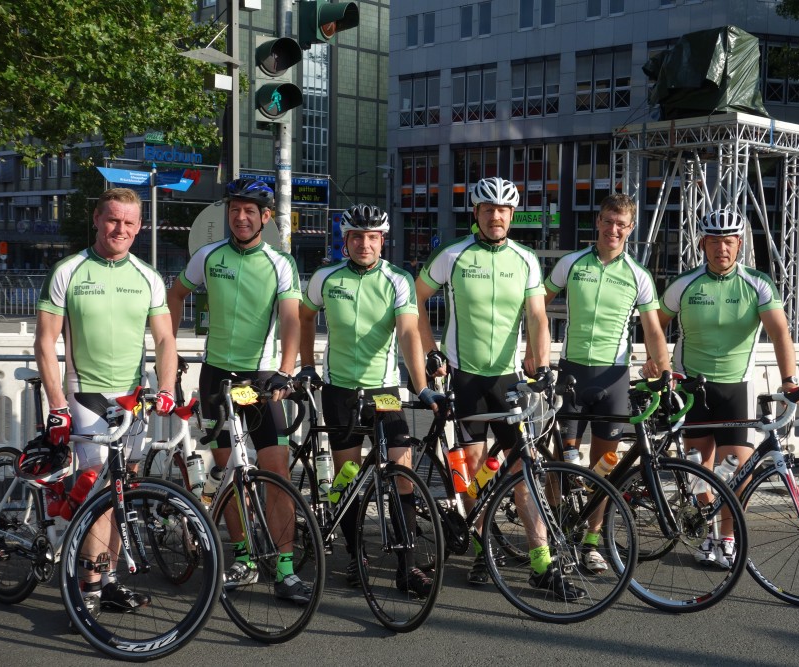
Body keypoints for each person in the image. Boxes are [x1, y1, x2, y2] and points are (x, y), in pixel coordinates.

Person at [415, 176, 584, 601]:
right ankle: (480, 545)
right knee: (471, 471)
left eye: (503, 210)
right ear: (476, 213)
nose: (496, 216)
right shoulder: (452, 255)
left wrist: (541, 364)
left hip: (508, 380)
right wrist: (431, 351)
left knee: (520, 469)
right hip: (464, 378)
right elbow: (413, 301)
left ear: (511, 215)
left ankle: (542, 562)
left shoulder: (526, 259)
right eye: (488, 209)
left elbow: (538, 317)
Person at [34, 187, 178, 619]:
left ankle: (109, 577)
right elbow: (44, 342)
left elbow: (167, 338)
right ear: (97, 219)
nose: (121, 229)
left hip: (131, 399)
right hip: (84, 392)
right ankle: (90, 586)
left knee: (124, 491)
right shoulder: (69, 270)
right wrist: (57, 402)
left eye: (129, 223)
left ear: (139, 227)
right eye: (113, 220)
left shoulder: (147, 276)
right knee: (100, 485)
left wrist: (166, 388)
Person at [167, 178, 310, 603]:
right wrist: (169, 351)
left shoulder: (280, 263)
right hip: (216, 379)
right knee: (229, 473)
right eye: (235, 210)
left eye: (250, 210)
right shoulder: (209, 256)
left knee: (276, 473)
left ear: (265, 217)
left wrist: (284, 371)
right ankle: (245, 558)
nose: (241, 217)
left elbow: (290, 319)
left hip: (261, 380)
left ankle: (284, 569)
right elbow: (175, 296)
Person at [299, 203, 441, 596]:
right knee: (348, 482)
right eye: (357, 236)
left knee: (402, 474)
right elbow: (304, 316)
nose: (365, 243)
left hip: (384, 394)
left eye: (372, 237)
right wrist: (307, 364)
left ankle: (407, 567)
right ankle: (356, 555)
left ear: (383, 241)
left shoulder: (398, 280)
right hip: (340, 391)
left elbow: (410, 334)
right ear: (345, 241)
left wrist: (420, 384)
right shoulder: (326, 277)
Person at [645, 209, 799, 569]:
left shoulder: (757, 283)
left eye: (729, 241)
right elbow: (654, 326)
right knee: (700, 470)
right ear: (703, 244)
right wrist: (657, 361)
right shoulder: (685, 283)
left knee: (735, 474)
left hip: (735, 390)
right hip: (691, 388)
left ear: (739, 244)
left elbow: (780, 334)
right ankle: (707, 534)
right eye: (714, 241)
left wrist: (789, 379)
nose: (721, 249)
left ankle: (727, 537)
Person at [542, 193, 673, 574]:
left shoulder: (639, 275)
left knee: (605, 467)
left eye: (621, 224)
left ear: (630, 229)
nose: (613, 229)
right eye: (608, 221)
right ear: (597, 222)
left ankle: (591, 541)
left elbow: (652, 328)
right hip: (570, 374)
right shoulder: (571, 263)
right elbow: (537, 304)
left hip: (613, 379)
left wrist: (661, 369)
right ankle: (555, 532)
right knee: (561, 464)